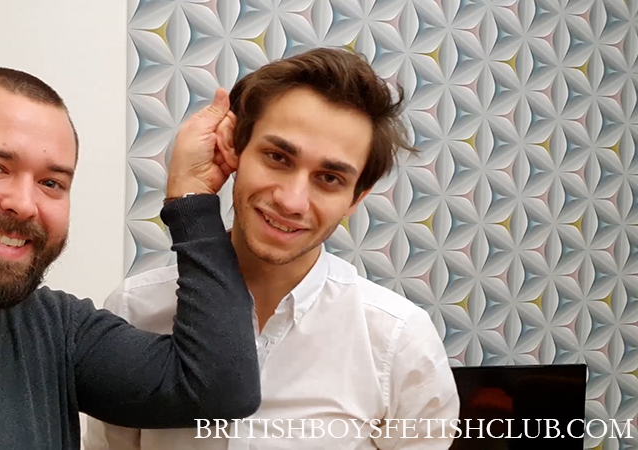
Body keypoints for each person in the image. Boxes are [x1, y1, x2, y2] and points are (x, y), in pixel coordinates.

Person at [0, 68, 261, 449]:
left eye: (51, 183)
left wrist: (192, 196)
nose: (25, 204)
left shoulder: (57, 332)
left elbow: (220, 387)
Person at [84, 48, 460, 449]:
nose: (292, 201)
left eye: (329, 178)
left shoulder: (398, 342)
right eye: (278, 157)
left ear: (355, 198)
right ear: (234, 150)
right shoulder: (135, 310)